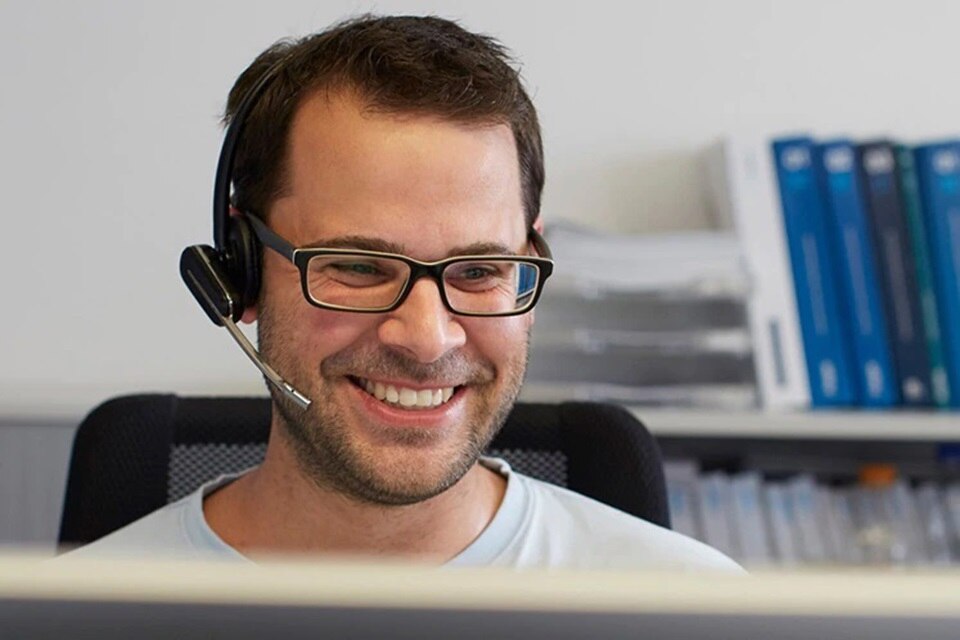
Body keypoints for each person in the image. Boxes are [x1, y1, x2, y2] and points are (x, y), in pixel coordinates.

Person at [68, 14, 739, 571]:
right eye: (359, 267)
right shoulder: (77, 613)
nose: (427, 338)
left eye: (478, 272)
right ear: (240, 271)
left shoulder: (693, 608)